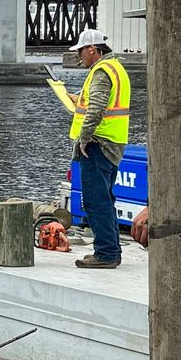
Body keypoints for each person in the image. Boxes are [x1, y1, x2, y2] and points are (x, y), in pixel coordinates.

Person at [64, 31, 131, 271]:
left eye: (81, 51)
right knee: (105, 198)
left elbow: (98, 108)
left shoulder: (102, 72)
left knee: (95, 200)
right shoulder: (115, 68)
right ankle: (112, 250)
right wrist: (78, 99)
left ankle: (105, 253)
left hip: (97, 144)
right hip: (112, 143)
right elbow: (100, 102)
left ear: (92, 48)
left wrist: (84, 138)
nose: (79, 57)